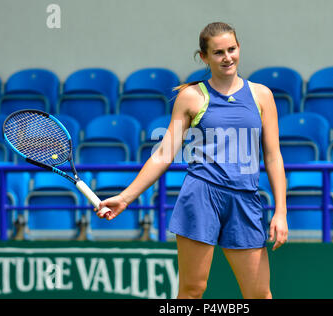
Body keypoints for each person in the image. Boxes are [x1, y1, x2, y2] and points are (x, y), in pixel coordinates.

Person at [95, 22, 288, 299]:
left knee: (259, 295)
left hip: (246, 200)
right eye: (218, 52)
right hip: (201, 197)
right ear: (204, 57)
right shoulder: (191, 97)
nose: (227, 57)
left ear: (239, 48)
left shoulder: (262, 95)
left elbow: (272, 156)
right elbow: (163, 153)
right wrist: (125, 198)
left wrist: (280, 212)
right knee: (191, 291)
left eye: (231, 49)